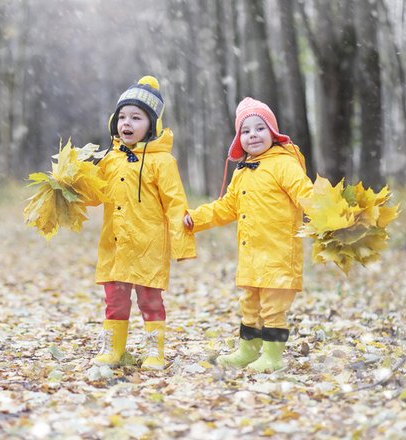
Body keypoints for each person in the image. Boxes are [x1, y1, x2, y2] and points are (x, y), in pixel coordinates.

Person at [183, 97, 313, 373]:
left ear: (273, 133)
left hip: (279, 252)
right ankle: (248, 349)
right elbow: (226, 207)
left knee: (273, 308)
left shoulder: (284, 164)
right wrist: (196, 218)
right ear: (239, 139)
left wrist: (329, 215)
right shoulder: (242, 173)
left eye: (260, 128)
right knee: (250, 305)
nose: (253, 135)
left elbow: (306, 194)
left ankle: (273, 355)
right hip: (251, 254)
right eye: (246, 130)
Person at [84, 76, 196, 370]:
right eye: (122, 117)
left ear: (152, 125)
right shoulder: (110, 159)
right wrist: (72, 187)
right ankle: (113, 348)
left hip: (148, 244)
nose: (127, 124)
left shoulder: (163, 162)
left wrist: (182, 244)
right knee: (115, 300)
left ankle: (153, 350)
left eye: (136, 118)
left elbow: (175, 203)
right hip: (116, 243)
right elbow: (96, 194)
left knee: (150, 301)